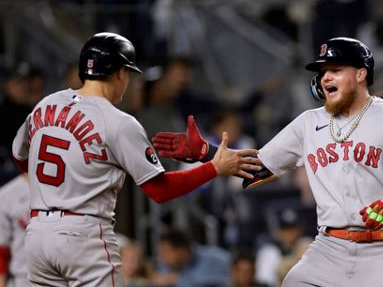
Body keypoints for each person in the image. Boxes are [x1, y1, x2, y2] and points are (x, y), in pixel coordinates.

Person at [151, 37, 383, 286]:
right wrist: (206, 152)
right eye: (323, 72)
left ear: (362, 74)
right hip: (331, 246)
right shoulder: (308, 123)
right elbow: (259, 166)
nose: (326, 78)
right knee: (294, 281)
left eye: (336, 70)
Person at [11, 32, 260, 287]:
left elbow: (20, 157)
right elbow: (160, 190)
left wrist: (52, 190)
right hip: (82, 236)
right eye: (128, 73)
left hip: (37, 235)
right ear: (119, 73)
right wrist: (214, 168)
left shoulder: (45, 104)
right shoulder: (118, 121)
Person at [153, 229, 232, 287]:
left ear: (182, 251)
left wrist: (178, 281)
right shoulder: (166, 266)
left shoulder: (215, 259)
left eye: (165, 252)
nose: (161, 257)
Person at [255, 209, 303, 287]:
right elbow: (265, 281)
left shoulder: (306, 247)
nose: (289, 233)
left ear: (300, 229)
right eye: (285, 229)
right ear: (278, 230)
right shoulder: (269, 251)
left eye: (292, 228)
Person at [0, 174, 31, 287]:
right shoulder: (6, 195)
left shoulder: (65, 188)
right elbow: (2, 250)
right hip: (24, 277)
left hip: (63, 275)